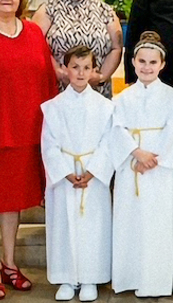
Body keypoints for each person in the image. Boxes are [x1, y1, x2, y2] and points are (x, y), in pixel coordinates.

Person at [0, 0, 57, 300]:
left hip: (25, 129)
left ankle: (9, 262)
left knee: (10, 201)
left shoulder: (32, 32)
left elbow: (46, 80)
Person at [41, 46, 132, 302]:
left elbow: (109, 141)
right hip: (66, 178)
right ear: (65, 69)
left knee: (93, 226)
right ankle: (67, 277)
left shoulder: (106, 107)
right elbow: (48, 144)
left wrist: (93, 171)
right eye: (75, 67)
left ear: (94, 70)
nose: (80, 73)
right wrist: (66, 172)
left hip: (93, 176)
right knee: (64, 225)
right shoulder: (53, 107)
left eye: (86, 68)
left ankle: (91, 277)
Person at [111, 31, 173, 297]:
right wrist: (136, 153)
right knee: (131, 223)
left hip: (159, 171)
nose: (146, 67)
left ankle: (156, 281)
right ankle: (129, 276)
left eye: (153, 62)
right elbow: (117, 129)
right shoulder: (121, 99)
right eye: (141, 61)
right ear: (132, 62)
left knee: (158, 225)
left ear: (162, 64)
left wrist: (154, 160)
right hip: (131, 167)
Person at [33, 0, 123, 98]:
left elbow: (116, 48)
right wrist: (59, 73)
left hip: (97, 93)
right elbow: (35, 45)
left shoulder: (105, 10)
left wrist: (101, 77)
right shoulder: (48, 9)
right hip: (59, 90)